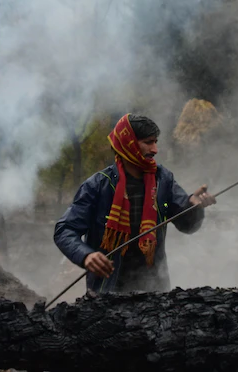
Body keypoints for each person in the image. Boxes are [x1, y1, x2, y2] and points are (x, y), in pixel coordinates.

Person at [54, 113, 216, 296]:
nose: (155, 149)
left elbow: (187, 226)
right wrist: (86, 256)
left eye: (156, 142)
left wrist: (195, 207)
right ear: (128, 143)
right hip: (106, 294)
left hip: (155, 293)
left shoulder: (163, 179)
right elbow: (64, 230)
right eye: (148, 142)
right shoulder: (97, 185)